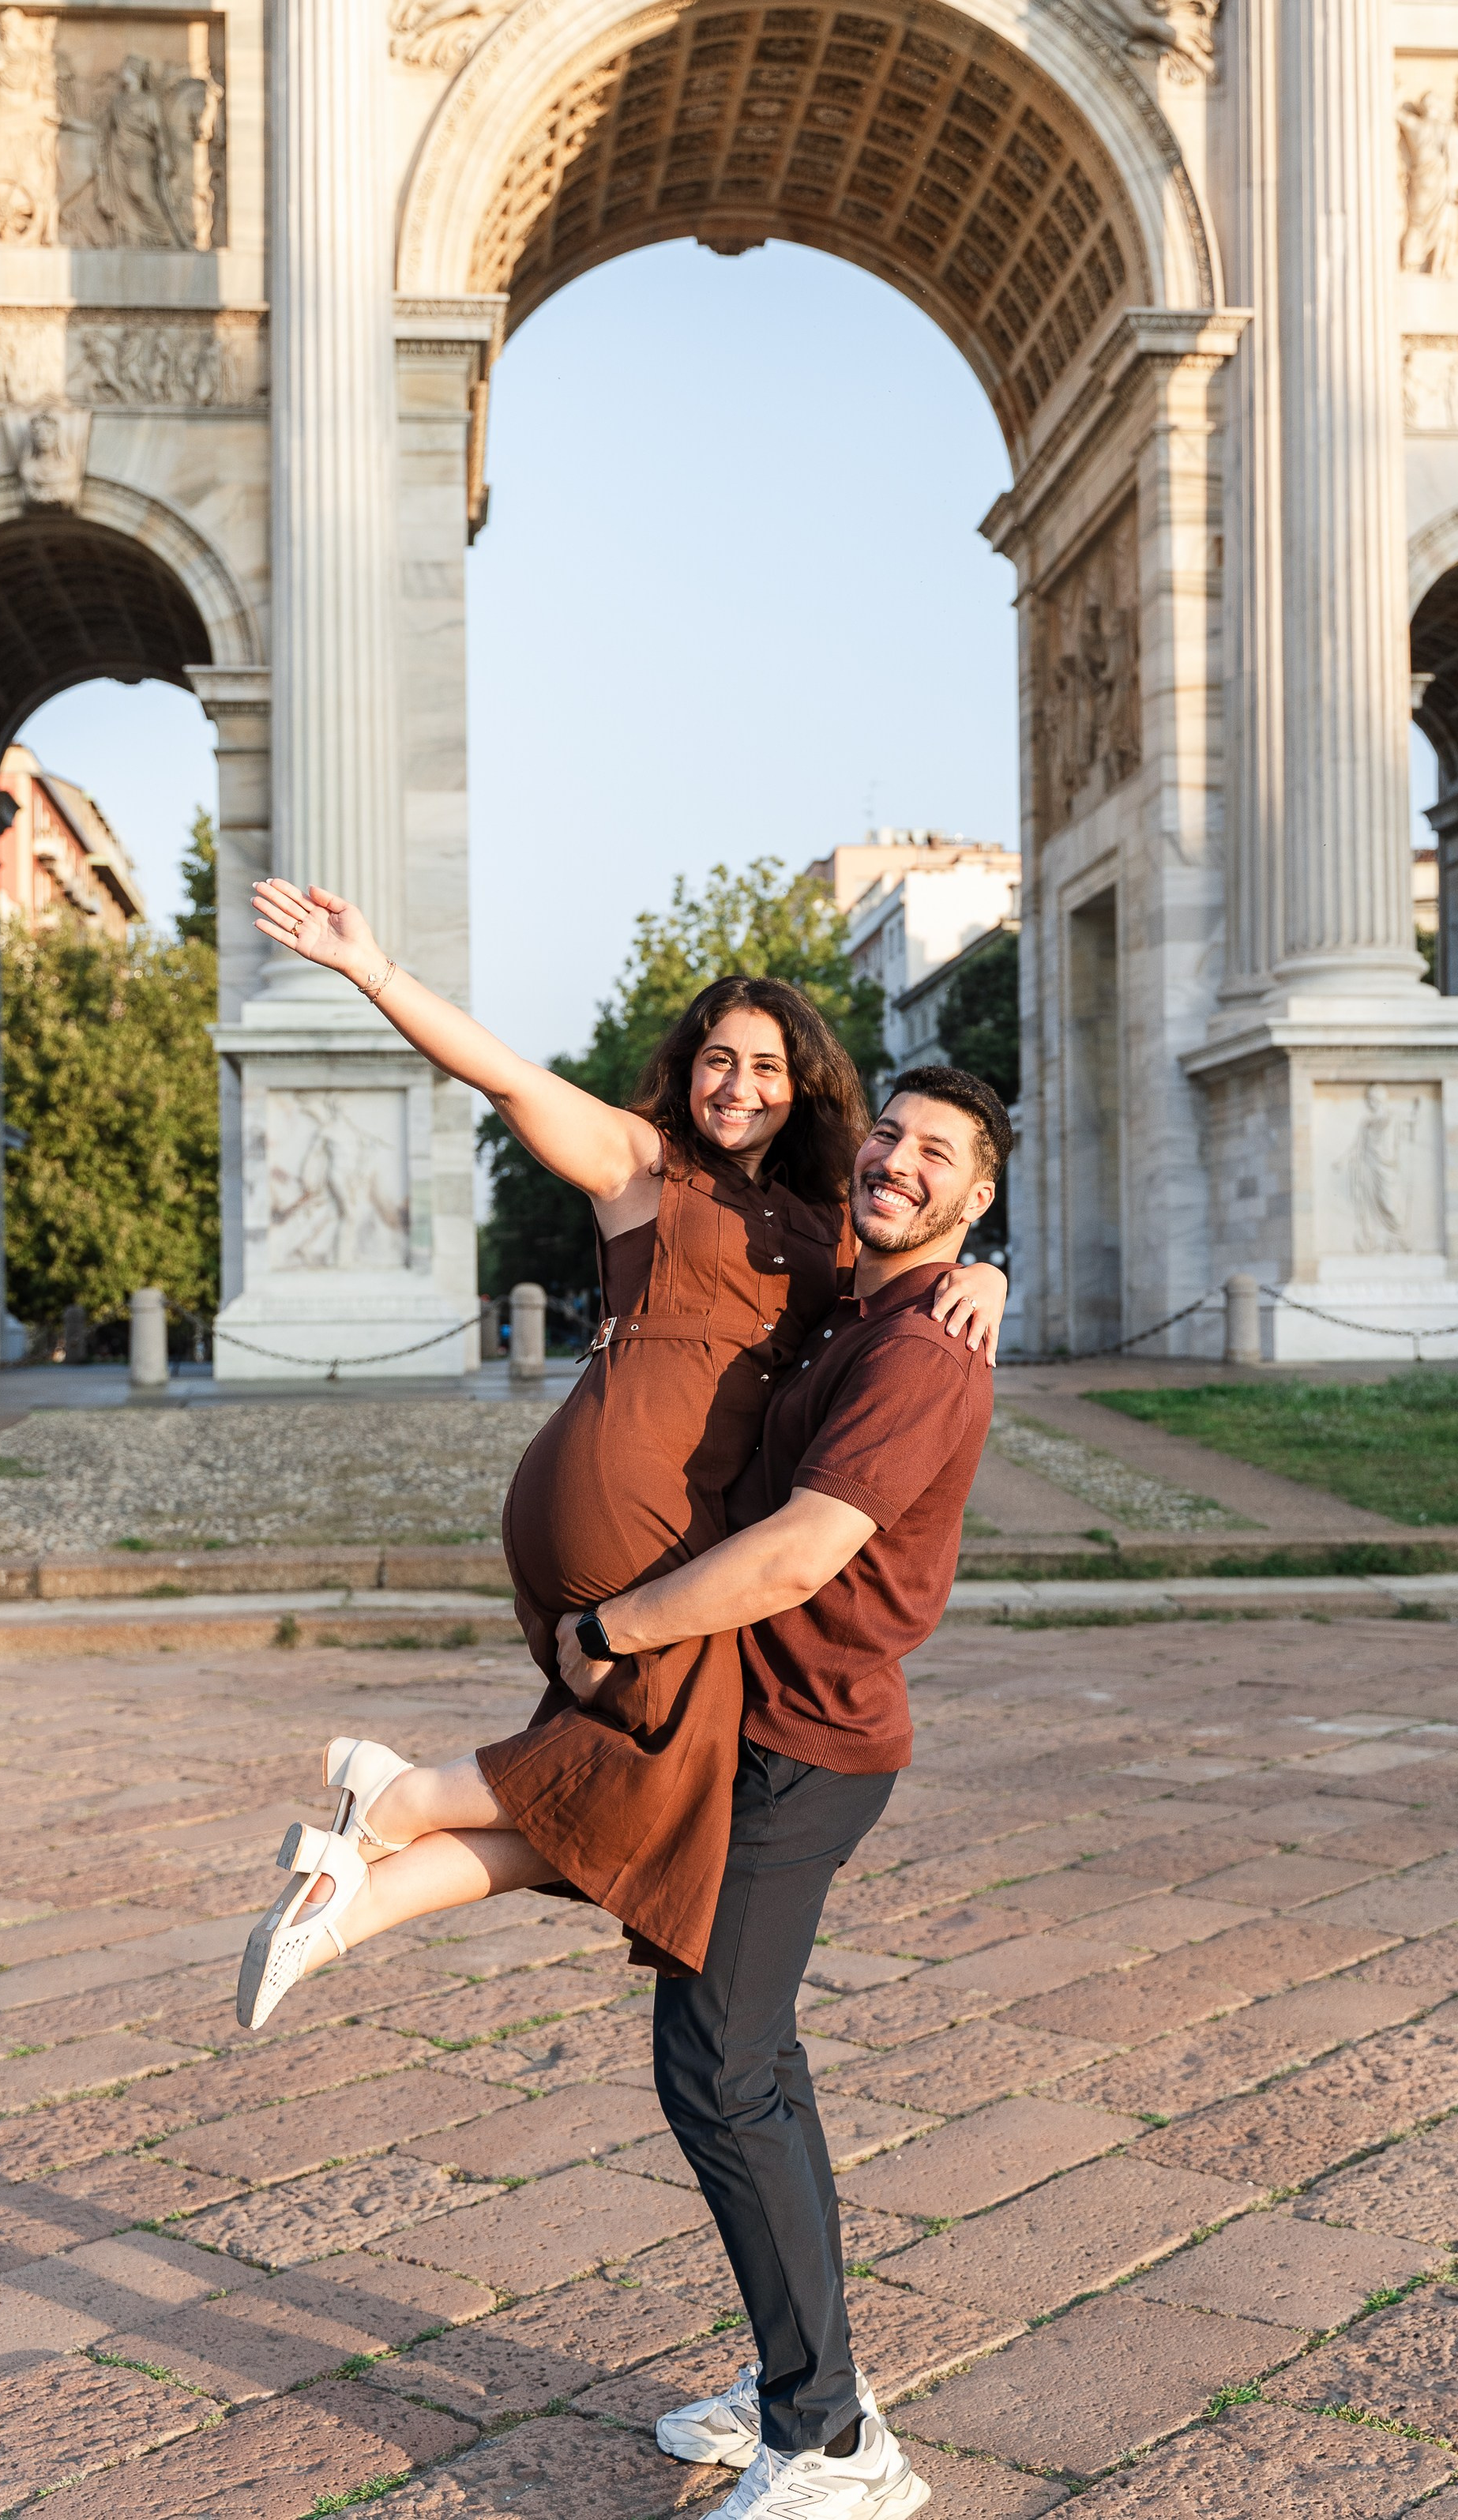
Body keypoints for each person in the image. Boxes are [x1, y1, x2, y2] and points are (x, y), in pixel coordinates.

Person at [235, 878, 1005, 2030]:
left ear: (804, 1089)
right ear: (684, 1070)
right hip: (623, 1491)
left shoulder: (830, 1221)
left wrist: (988, 1272)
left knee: (646, 1778)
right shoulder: (643, 1164)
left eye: (765, 1066)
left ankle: (354, 1894)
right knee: (660, 1770)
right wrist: (374, 970)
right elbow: (507, 1076)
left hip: (664, 1505)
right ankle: (397, 1803)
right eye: (716, 1059)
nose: (736, 1085)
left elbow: (910, 1272)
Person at [562, 1063, 1011, 2520]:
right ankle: (807, 2387)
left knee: (717, 2071)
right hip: (773, 1729)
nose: (898, 1161)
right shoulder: (865, 1299)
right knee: (758, 2069)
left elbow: (802, 1551)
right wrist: (984, 1272)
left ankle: (831, 2445)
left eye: (939, 1155)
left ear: (977, 1196)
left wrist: (612, 1630)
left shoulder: (919, 1351)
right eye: (889, 1133)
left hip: (803, 1745)